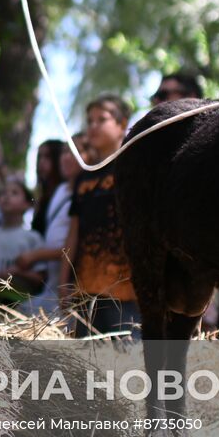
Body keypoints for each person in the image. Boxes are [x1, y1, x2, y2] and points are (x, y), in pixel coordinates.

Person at [59, 95, 138, 335]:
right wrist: (64, 281)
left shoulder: (133, 167)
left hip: (127, 291)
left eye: (101, 119)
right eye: (89, 120)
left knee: (126, 361)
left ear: (122, 124)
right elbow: (74, 233)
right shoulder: (84, 178)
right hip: (85, 290)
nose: (92, 126)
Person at [16, 133, 83, 317]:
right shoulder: (59, 191)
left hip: (68, 287)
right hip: (49, 287)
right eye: (64, 152)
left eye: (75, 151)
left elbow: (73, 244)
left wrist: (36, 255)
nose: (67, 158)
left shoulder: (83, 194)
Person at [0, 175, 44, 305]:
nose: (7, 196)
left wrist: (17, 273)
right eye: (3, 193)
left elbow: (40, 279)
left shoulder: (33, 238)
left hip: (21, 306)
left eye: (14, 193)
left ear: (27, 204)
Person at [29, 139, 65, 239]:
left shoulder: (67, 193)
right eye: (39, 156)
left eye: (48, 157)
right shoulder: (40, 197)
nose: (41, 162)